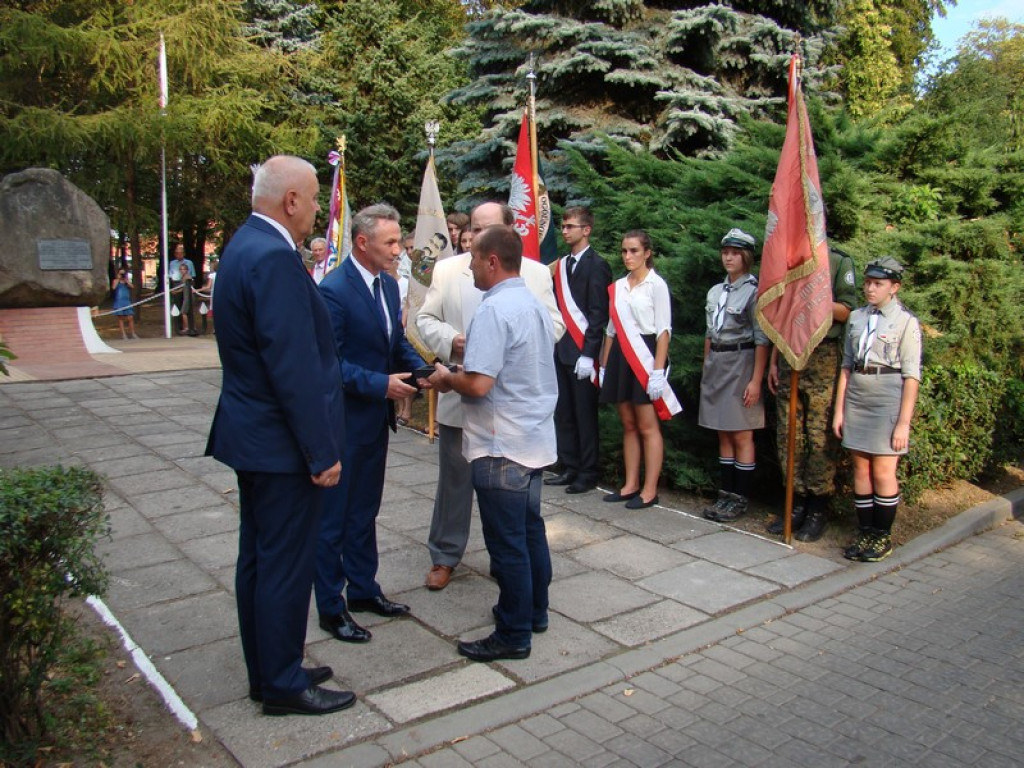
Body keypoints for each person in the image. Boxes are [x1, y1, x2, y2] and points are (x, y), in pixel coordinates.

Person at [205, 154, 353, 717]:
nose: (317, 209)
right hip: (281, 445)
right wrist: (321, 452)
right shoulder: (272, 256)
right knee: (283, 566)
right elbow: (294, 367)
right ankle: (284, 684)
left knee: (260, 559)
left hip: (255, 437)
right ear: (291, 200)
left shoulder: (245, 245)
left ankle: (269, 671)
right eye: (314, 199)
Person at [415, 202, 564, 591]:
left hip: (510, 408)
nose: (476, 236)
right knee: (454, 484)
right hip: (461, 395)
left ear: (508, 230)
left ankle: (511, 570)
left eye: (487, 228)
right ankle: (445, 554)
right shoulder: (450, 269)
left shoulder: (533, 272)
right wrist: (453, 341)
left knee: (517, 510)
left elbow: (554, 325)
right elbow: (424, 319)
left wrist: (499, 346)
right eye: (474, 228)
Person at [314, 203, 426, 639]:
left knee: (364, 511)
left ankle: (363, 589)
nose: (399, 250)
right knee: (333, 519)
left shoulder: (388, 285)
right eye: (391, 242)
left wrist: (423, 370)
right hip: (342, 423)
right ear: (362, 243)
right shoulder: (334, 290)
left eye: (399, 241)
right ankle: (331, 606)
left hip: (374, 424)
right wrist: (381, 384)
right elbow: (329, 365)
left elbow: (393, 342)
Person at [765, 247, 858, 540]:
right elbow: (778, 316)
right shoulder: (789, 259)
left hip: (821, 355)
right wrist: (773, 361)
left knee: (819, 436)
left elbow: (847, 310)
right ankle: (795, 503)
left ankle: (817, 508)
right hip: (789, 351)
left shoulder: (838, 261)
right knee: (788, 434)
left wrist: (813, 300)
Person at [832, 256, 921, 562]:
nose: (870, 289)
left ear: (894, 287)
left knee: (883, 470)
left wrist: (903, 423)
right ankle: (865, 532)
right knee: (861, 468)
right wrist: (840, 411)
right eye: (868, 282)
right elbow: (846, 366)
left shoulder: (906, 322)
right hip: (858, 396)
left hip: (886, 398)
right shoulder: (857, 317)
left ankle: (882, 535)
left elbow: (911, 377)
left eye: (878, 284)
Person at [599, 230, 681, 509]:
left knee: (647, 425)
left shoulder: (656, 285)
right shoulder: (618, 286)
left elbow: (663, 330)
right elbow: (611, 331)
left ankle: (649, 489)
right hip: (620, 357)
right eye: (624, 251)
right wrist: (604, 365)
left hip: (645, 355)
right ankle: (630, 484)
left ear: (647, 253)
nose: (628, 256)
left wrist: (657, 371)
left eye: (634, 250)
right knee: (629, 424)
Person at [699, 228, 770, 523]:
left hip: (741, 363)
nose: (729, 258)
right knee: (722, 431)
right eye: (725, 252)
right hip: (718, 362)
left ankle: (740, 497)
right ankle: (725, 493)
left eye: (735, 253)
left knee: (741, 432)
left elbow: (762, 339)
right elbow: (709, 332)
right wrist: (707, 365)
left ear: (747, 257)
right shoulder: (715, 291)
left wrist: (755, 380)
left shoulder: (754, 292)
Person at [546, 207, 613, 495]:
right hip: (561, 349)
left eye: (570, 226)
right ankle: (570, 466)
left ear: (586, 230)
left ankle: (588, 472)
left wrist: (589, 354)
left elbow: (598, 314)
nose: (564, 231)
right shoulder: (560, 266)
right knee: (564, 412)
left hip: (583, 353)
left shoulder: (597, 265)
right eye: (562, 226)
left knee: (585, 415)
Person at [169, 244, 195, 332]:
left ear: (184, 253)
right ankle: (179, 325)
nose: (179, 255)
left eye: (181, 253)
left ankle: (190, 326)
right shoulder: (172, 263)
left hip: (186, 284)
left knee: (187, 306)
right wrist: (173, 288)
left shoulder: (189, 263)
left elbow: (192, 275)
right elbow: (170, 275)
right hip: (176, 283)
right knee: (177, 305)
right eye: (177, 253)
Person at [111, 268, 138, 339]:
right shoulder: (115, 281)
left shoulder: (126, 281)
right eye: (121, 273)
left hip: (127, 301)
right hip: (119, 302)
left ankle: (133, 333)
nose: (122, 275)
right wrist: (118, 279)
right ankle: (123, 334)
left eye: (123, 274)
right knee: (121, 318)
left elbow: (132, 286)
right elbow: (113, 288)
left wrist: (126, 281)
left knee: (130, 318)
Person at [177, 262, 198, 336]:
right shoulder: (182, 278)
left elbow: (190, 284)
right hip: (186, 296)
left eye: (184, 269)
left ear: (187, 270)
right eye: (181, 269)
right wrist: (175, 291)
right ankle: (192, 327)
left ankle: (187, 327)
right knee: (189, 312)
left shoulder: (188, 277)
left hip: (189, 297)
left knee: (183, 312)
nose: (182, 271)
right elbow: (182, 288)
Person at [198, 257, 217, 335]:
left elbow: (208, 286)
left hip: (214, 295)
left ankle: (215, 328)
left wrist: (198, 290)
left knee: (214, 312)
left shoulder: (212, 275)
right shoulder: (223, 274)